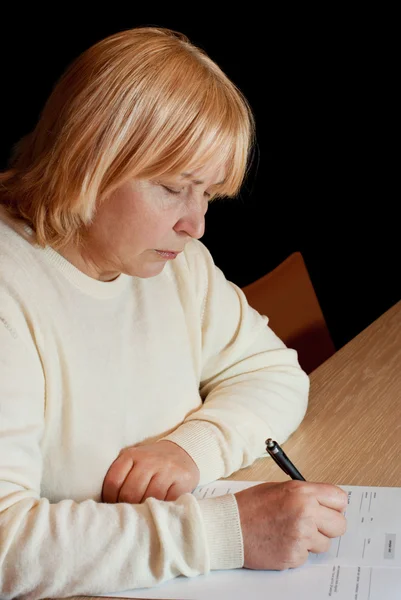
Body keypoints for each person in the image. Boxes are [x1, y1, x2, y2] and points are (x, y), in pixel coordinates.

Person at [0, 26, 347, 599]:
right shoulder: (12, 292)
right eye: (172, 188)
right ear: (89, 158)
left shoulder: (176, 265)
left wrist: (193, 448)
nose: (196, 225)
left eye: (207, 195)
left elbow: (274, 374)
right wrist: (226, 531)